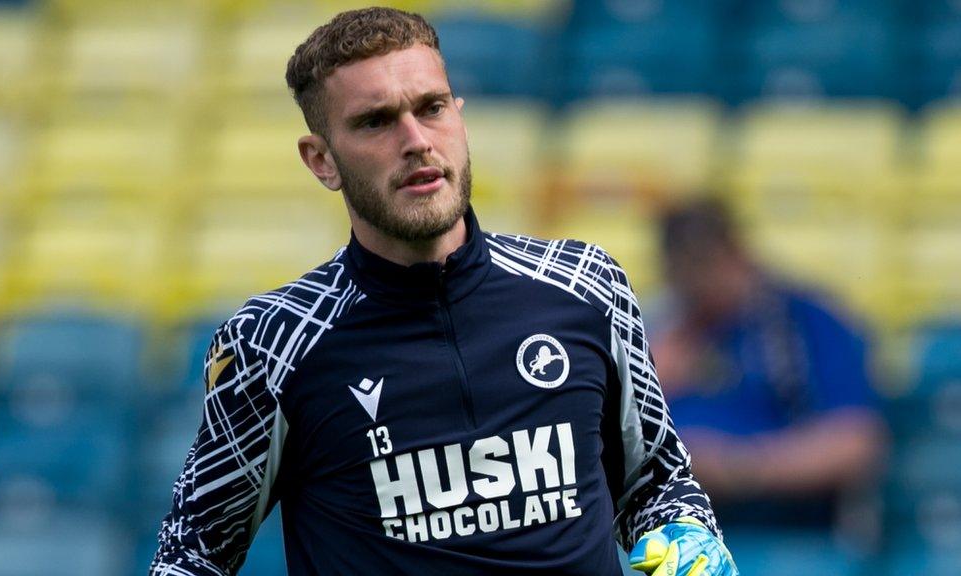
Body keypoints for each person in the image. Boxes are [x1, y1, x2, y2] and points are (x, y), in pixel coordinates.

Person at [150, 8, 737, 575]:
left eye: (430, 108)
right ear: (321, 160)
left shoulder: (586, 286)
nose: (416, 141)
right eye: (375, 121)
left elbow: (655, 483)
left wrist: (687, 531)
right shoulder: (273, 344)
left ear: (459, 117)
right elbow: (191, 555)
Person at [650, 199, 886, 530]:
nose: (694, 283)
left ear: (735, 255)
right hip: (673, 533)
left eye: (703, 263)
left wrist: (737, 468)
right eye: (680, 269)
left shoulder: (806, 323)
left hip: (786, 531)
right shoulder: (659, 332)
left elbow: (854, 443)